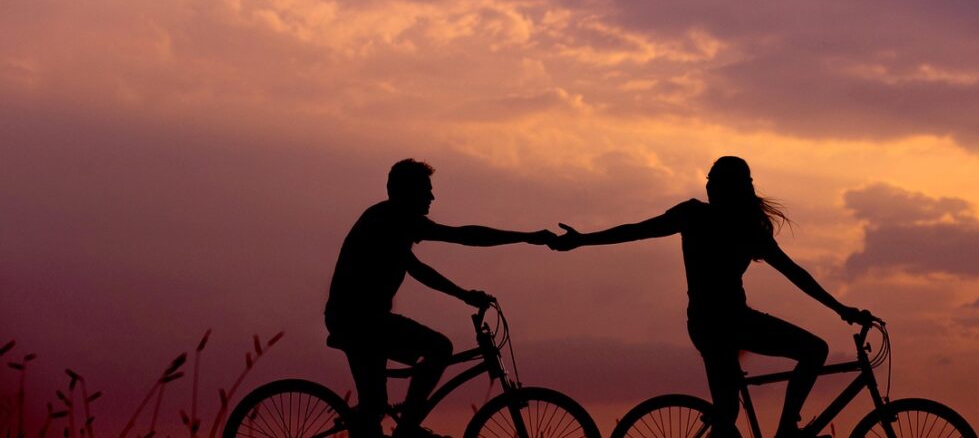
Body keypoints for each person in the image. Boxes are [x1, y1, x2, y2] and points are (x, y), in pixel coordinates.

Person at [548, 156, 873, 438]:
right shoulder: (719, 221)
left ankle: (783, 428)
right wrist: (841, 309)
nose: (709, 185)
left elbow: (795, 273)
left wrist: (840, 308)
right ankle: (787, 429)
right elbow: (636, 230)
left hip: (710, 324)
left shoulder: (715, 220)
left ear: (730, 187)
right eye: (709, 178)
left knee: (727, 412)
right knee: (813, 351)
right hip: (729, 323)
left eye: (715, 180)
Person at [325, 159, 554, 438]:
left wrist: (525, 239)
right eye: (426, 190)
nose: (432, 197)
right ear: (407, 192)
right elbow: (440, 255)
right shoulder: (387, 221)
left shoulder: (396, 221)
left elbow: (455, 242)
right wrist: (525, 238)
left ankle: (394, 426)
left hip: (365, 320)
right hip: (357, 321)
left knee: (373, 410)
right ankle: (407, 428)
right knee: (439, 348)